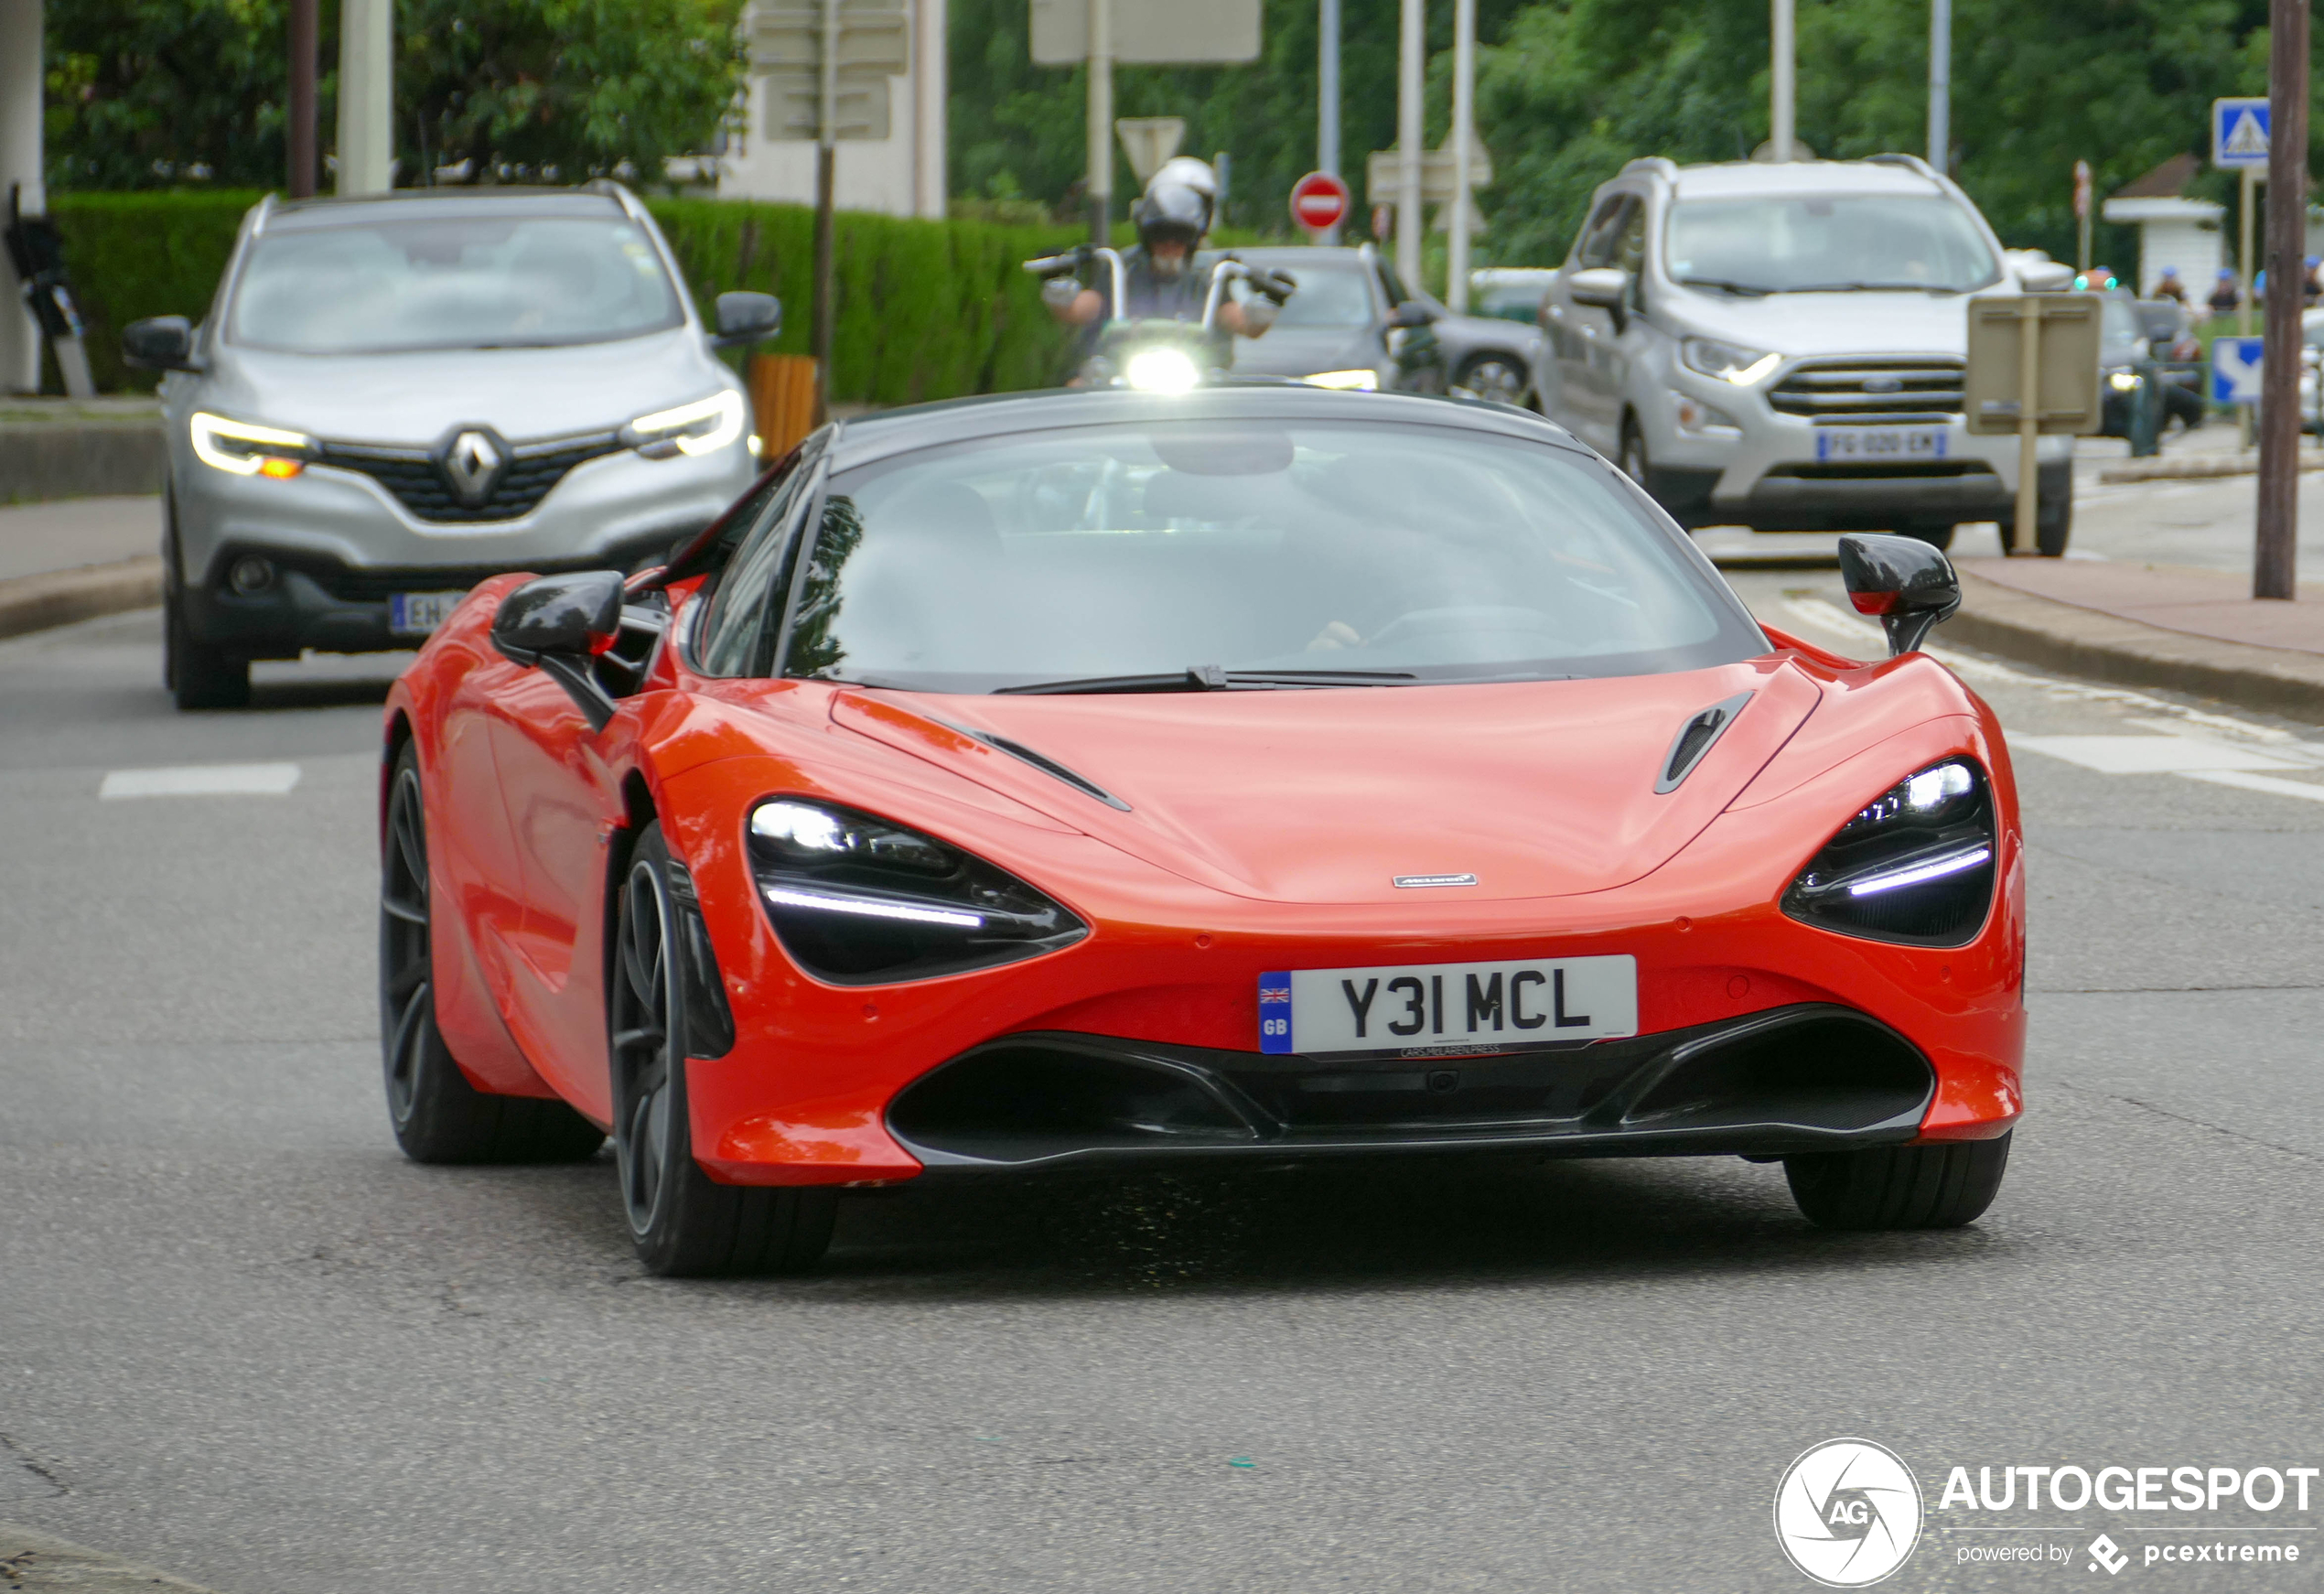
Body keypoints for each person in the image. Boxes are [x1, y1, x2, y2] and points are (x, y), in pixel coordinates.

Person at [1044, 159, 1276, 362]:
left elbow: (1241, 322)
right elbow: (1081, 309)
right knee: (1079, 386)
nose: (1170, 245)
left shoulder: (1211, 275)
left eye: (1180, 237)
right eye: (1161, 235)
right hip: (1125, 371)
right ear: (1146, 235)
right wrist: (1058, 291)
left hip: (1198, 379)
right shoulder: (1122, 268)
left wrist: (1265, 309)